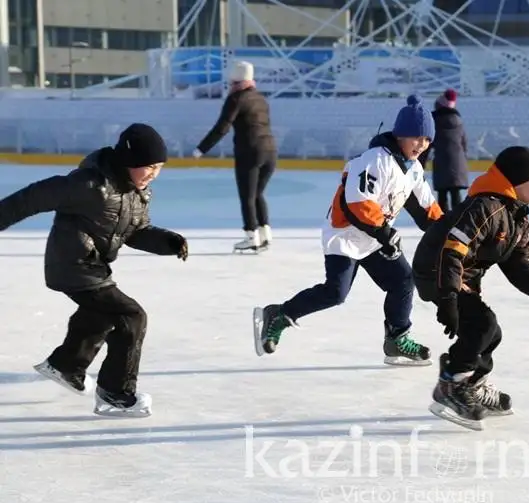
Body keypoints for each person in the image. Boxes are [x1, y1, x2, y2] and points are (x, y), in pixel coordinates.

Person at [0, 123, 189, 418]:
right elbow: (32, 198)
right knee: (130, 316)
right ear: (129, 161)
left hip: (93, 267)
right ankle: (115, 394)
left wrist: (168, 242)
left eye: (158, 167)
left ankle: (66, 365)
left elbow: (136, 231)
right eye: (148, 166)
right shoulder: (89, 184)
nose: (153, 174)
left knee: (101, 314)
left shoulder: (136, 193)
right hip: (73, 265)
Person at [253, 95, 443, 366]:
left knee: (403, 280)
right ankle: (280, 314)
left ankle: (396, 339)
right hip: (345, 233)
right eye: (416, 137)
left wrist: (446, 230)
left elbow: (427, 207)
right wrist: (385, 233)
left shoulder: (413, 168)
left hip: (375, 236)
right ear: (401, 134)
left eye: (426, 140)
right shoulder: (376, 160)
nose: (421, 145)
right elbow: (357, 203)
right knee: (335, 293)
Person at [411, 146, 529, 430]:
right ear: (520, 180)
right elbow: (452, 250)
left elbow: (518, 264)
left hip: (461, 278)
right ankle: (451, 385)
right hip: (437, 271)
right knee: (482, 324)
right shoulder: (485, 208)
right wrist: (448, 298)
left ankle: (473, 385)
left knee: (491, 333)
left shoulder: (517, 219)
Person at [192, 60, 277, 252]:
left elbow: (222, 127)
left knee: (247, 195)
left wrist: (201, 149)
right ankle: (265, 233)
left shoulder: (236, 98)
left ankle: (251, 236)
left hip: (250, 151)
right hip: (270, 151)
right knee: (257, 194)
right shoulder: (261, 98)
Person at [419, 89, 470, 213]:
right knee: (456, 193)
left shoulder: (434, 122)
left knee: (442, 196)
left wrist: (420, 164)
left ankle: (444, 223)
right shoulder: (459, 120)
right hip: (458, 162)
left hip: (442, 161)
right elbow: (464, 143)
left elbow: (426, 144)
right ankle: (458, 221)